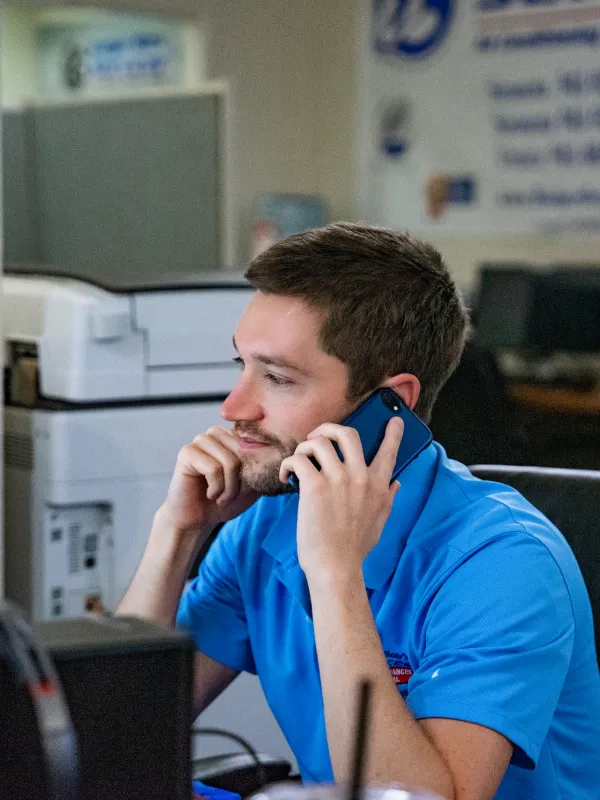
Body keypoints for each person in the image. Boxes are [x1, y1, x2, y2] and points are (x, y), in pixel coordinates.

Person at [118, 223, 600, 800]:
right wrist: (176, 534)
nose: (234, 406)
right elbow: (116, 741)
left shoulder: (504, 563)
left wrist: (335, 573)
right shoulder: (265, 524)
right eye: (241, 366)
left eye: (276, 378)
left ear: (389, 403)